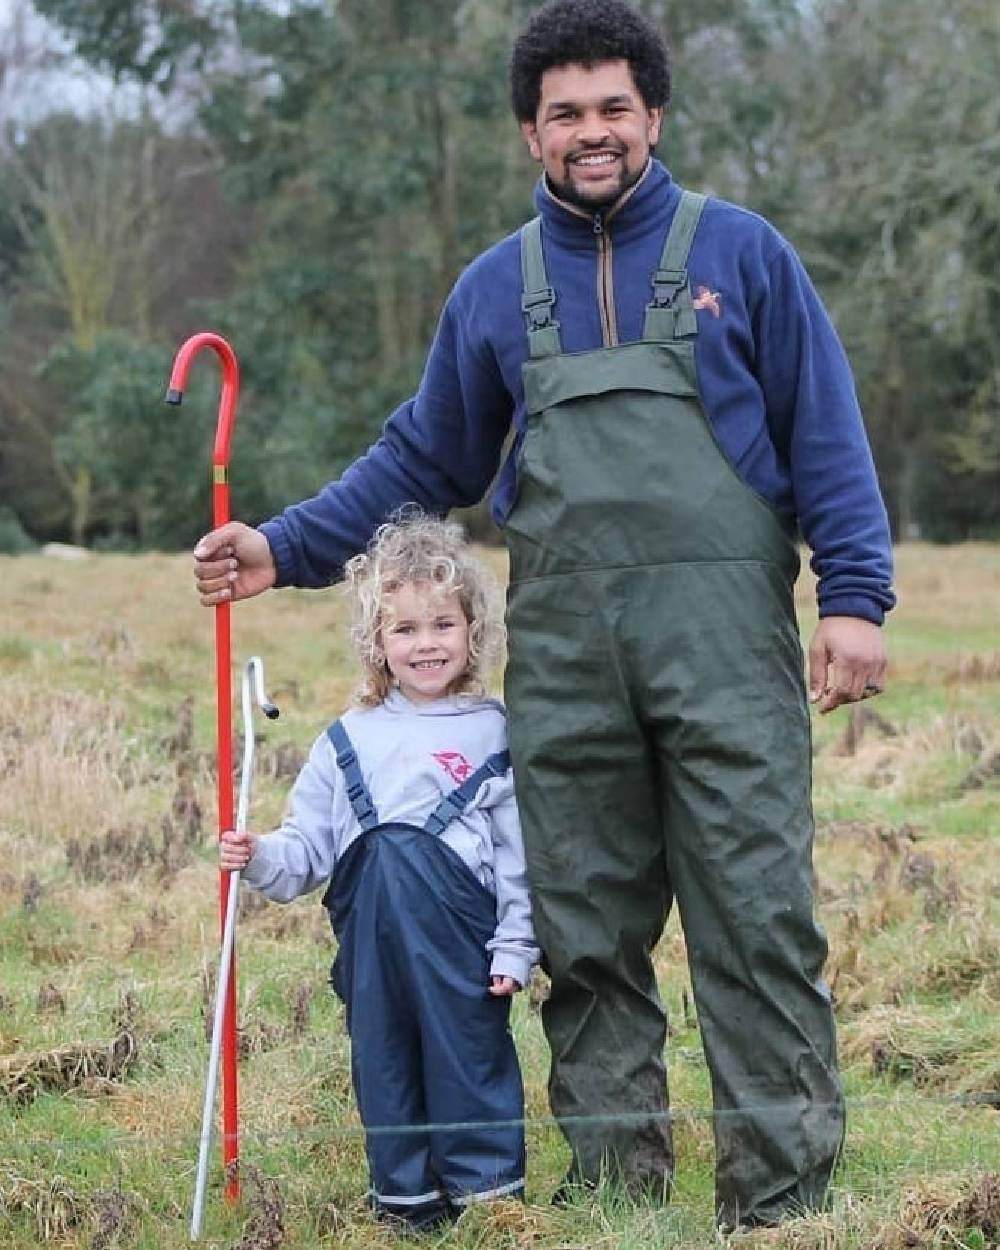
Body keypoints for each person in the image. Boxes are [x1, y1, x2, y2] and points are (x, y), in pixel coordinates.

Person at [196, 0, 895, 1229]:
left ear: (653, 115)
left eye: (613, 108)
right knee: (583, 938)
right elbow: (422, 456)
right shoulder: (494, 290)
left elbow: (825, 432)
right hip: (570, 672)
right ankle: (618, 1187)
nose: (592, 132)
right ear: (530, 131)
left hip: (730, 655)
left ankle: (779, 1196)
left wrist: (854, 598)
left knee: (758, 925)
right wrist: (283, 544)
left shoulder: (745, 255)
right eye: (565, 112)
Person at [219, 512, 538, 1230]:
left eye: (442, 625)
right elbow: (307, 849)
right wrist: (259, 855)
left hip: (465, 943)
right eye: (405, 630)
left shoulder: (496, 731)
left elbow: (521, 858)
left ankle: (489, 1206)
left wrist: (517, 943)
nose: (426, 644)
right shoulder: (347, 739)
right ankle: (406, 1206)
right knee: (385, 1066)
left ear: (472, 631)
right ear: (376, 643)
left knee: (468, 1061)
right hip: (372, 949)